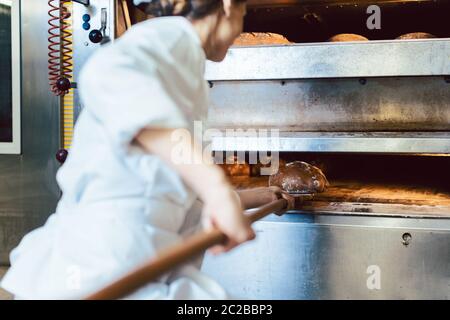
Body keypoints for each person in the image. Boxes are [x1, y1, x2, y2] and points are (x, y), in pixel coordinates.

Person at [1, 0, 292, 299]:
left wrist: (252, 198)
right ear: (229, 6)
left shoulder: (184, 62)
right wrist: (216, 188)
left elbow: (163, 183)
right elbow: (107, 73)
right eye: (244, 15)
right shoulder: (174, 37)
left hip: (130, 256)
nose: (238, 31)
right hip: (105, 257)